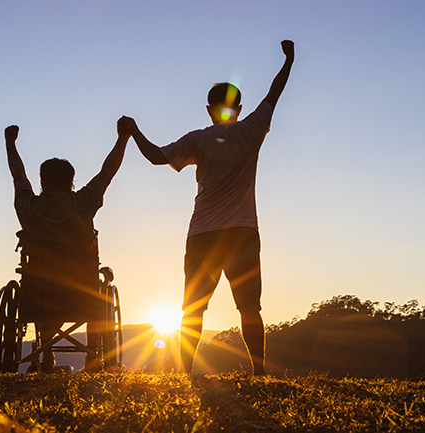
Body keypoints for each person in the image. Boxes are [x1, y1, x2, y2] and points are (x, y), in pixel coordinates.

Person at [121, 40, 295, 374]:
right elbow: (275, 93)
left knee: (193, 310)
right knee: (249, 308)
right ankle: (259, 373)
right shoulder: (252, 129)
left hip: (202, 234)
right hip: (243, 232)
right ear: (240, 108)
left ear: (208, 109)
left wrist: (133, 132)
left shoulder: (197, 139)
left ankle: (185, 374)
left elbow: (157, 156)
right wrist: (289, 60)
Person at [4, 118, 130, 372]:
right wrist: (122, 139)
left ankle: (46, 353)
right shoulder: (83, 203)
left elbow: (18, 174)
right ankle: (93, 358)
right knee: (96, 289)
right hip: (82, 295)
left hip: (38, 296)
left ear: (42, 181)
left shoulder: (30, 208)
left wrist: (10, 143)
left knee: (42, 278)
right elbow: (107, 173)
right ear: (71, 181)